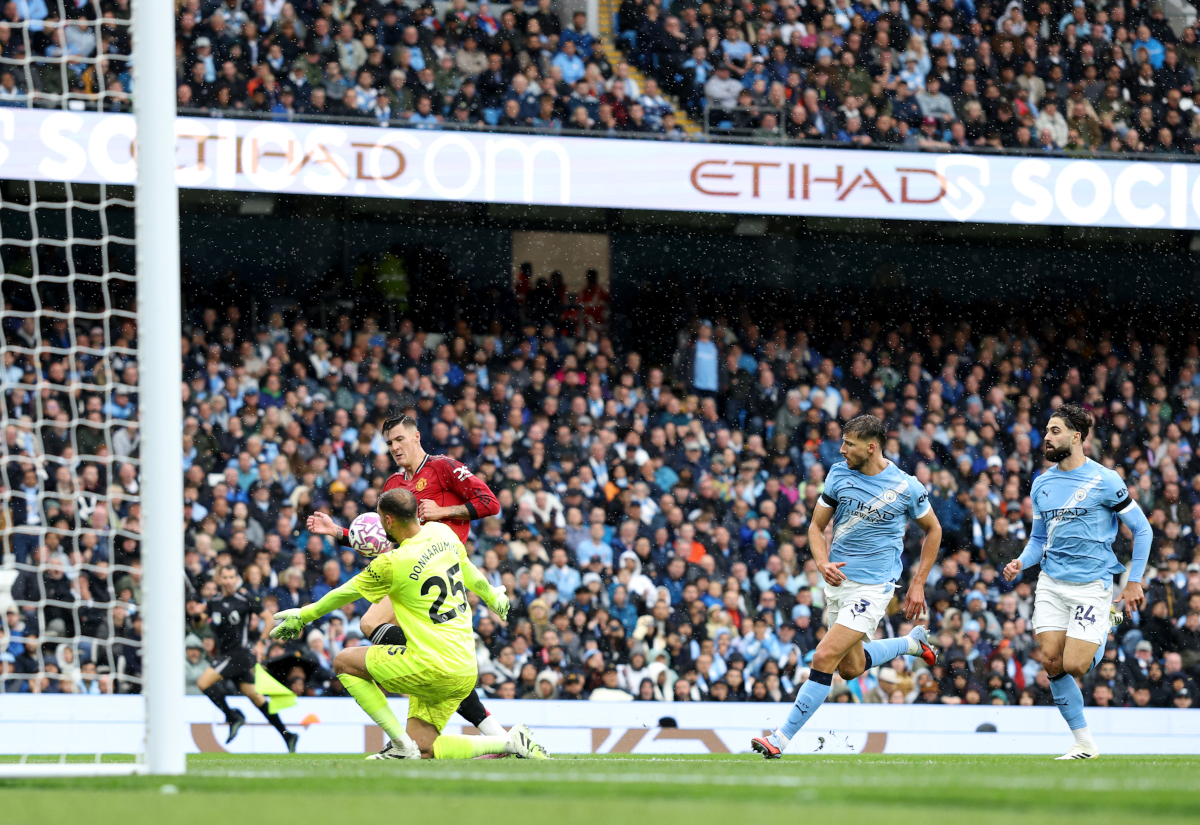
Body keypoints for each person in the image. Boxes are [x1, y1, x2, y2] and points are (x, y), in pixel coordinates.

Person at [273, 489, 548, 760]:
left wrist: (304, 615)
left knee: (344, 662)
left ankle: (401, 745)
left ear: (388, 520)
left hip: (431, 666)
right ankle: (509, 742)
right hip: (465, 666)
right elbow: (468, 570)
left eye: (381, 520)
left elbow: (345, 593)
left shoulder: (393, 563)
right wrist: (492, 596)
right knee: (424, 748)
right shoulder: (442, 532)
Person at [751, 415, 941, 758]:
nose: (841, 449)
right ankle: (911, 644)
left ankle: (779, 739)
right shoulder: (838, 474)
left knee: (823, 656)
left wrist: (918, 582)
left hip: (874, 587)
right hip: (838, 583)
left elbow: (934, 529)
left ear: (871, 447)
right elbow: (814, 528)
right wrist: (822, 562)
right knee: (850, 667)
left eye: (849, 444)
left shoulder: (906, 487)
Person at [307, 414, 506, 738]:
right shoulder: (393, 486)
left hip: (443, 569)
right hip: (411, 575)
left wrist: (443, 512)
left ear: (416, 437)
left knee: (370, 623)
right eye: (389, 443)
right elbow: (382, 541)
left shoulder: (443, 467)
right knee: (374, 626)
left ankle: (486, 727)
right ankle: (495, 734)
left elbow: (490, 503)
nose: (395, 447)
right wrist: (339, 533)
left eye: (399, 439)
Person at [1003, 404, 1151, 760]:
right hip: (1052, 583)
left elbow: (1143, 529)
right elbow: (1039, 540)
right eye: (1047, 430)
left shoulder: (1105, 480)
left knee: (1075, 665)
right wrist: (1021, 562)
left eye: (1055, 431)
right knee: (1051, 661)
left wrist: (1134, 581)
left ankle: (1108, 621)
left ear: (1076, 437)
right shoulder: (1042, 483)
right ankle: (1084, 743)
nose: (1047, 437)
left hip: (1091, 585)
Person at [195, 564, 299, 752]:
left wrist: (261, 642)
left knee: (203, 682)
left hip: (238, 655)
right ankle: (288, 735)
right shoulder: (214, 601)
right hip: (227, 656)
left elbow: (269, 619)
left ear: (236, 579)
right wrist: (195, 614)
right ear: (219, 579)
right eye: (224, 577)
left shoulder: (245, 599)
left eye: (231, 577)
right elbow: (199, 622)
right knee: (258, 699)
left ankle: (233, 716)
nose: (228, 581)